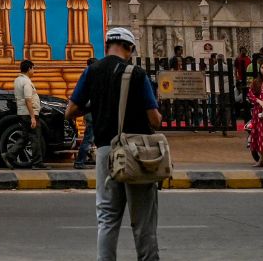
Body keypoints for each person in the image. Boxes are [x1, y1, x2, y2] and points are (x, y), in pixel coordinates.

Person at [65, 27, 162, 261]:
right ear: (129, 49)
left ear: (107, 45)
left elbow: (70, 111)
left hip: (106, 152)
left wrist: (97, 105)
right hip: (136, 153)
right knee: (143, 220)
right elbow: (154, 120)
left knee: (107, 217)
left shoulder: (92, 71)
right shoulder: (137, 74)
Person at [13, 59, 47, 168]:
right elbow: (28, 99)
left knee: (25, 137)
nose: (34, 71)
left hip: (22, 112)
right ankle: (37, 163)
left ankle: (9, 155)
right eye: (33, 68)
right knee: (35, 138)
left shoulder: (17, 80)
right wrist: (32, 117)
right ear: (29, 69)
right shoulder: (26, 82)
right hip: (29, 114)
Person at [74, 57, 97, 169]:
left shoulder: (86, 76)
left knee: (91, 138)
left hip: (89, 112)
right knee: (88, 138)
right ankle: (79, 161)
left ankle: (88, 158)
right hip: (92, 113)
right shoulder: (92, 78)